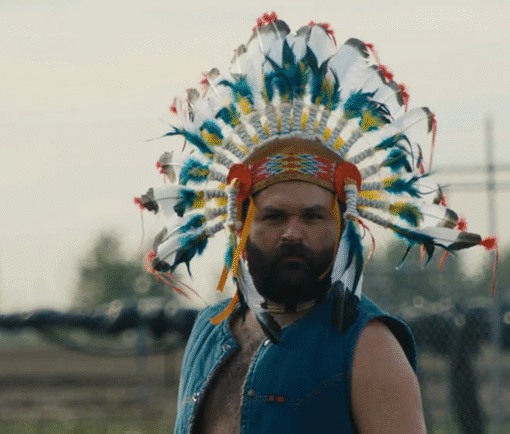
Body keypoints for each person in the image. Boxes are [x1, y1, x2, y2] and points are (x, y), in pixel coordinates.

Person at [136, 12, 484, 434]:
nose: (293, 233)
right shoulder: (207, 334)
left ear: (343, 225)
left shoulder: (369, 348)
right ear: (239, 223)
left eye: (313, 216)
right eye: (274, 215)